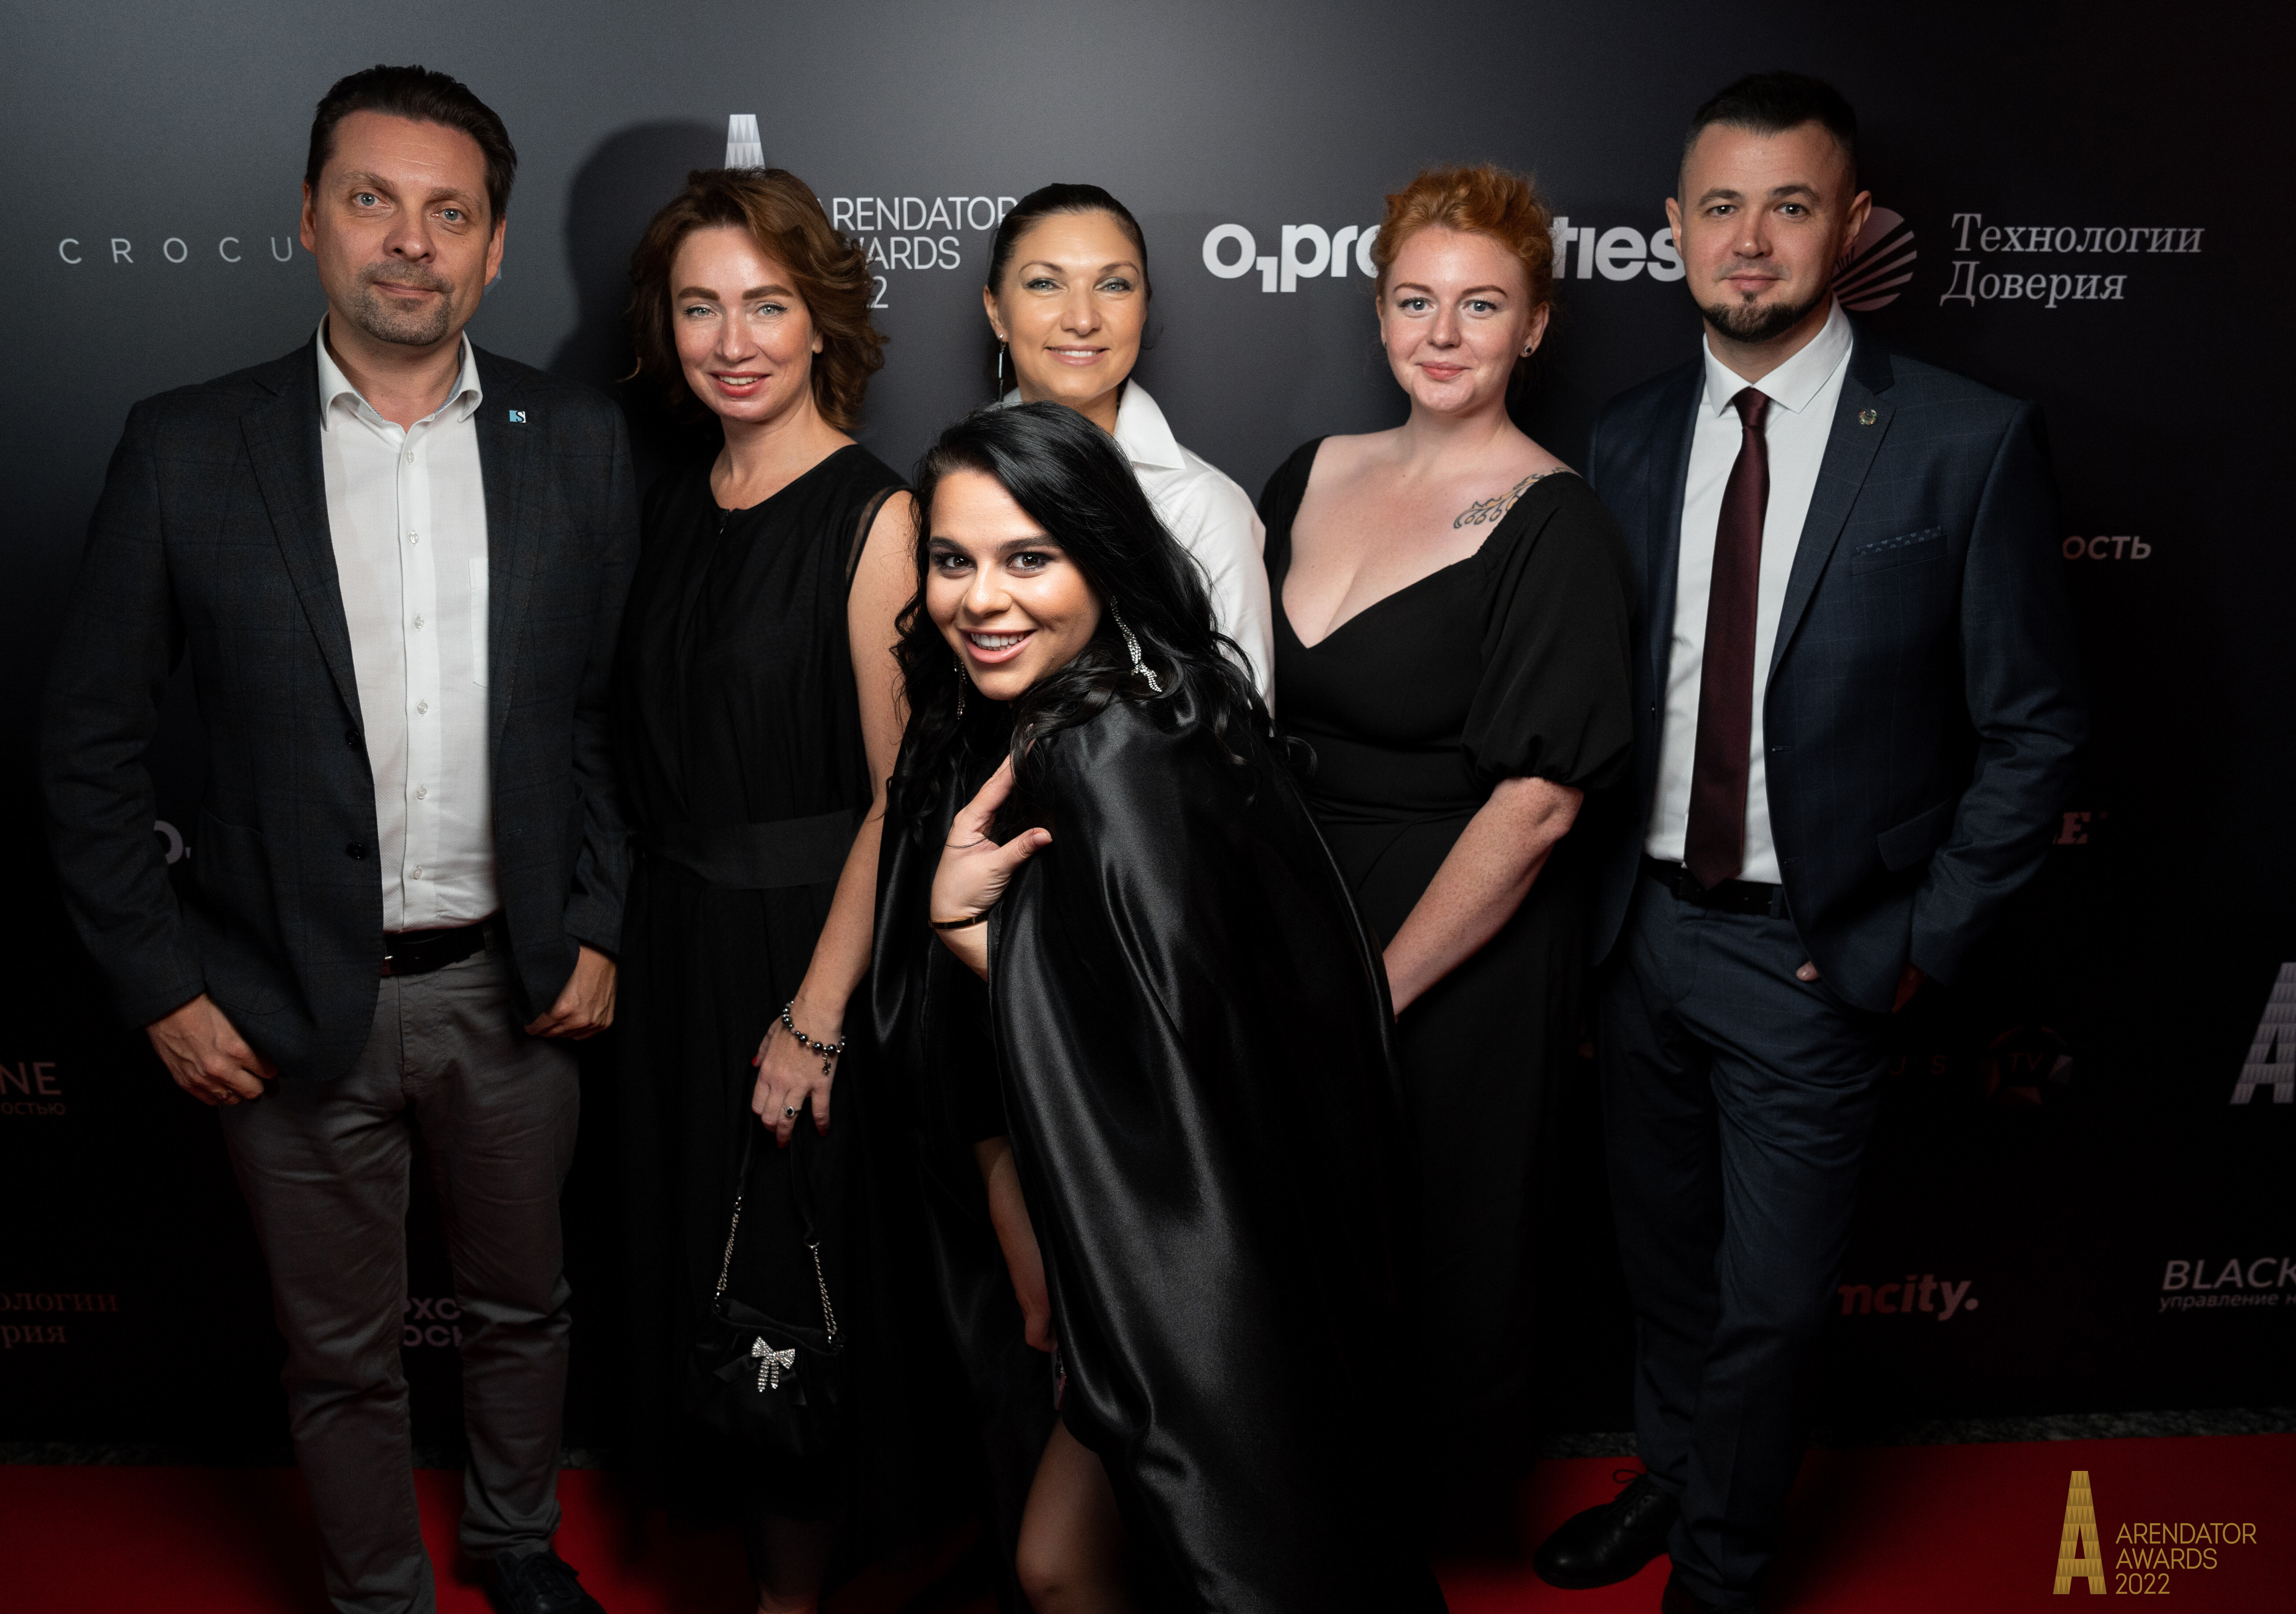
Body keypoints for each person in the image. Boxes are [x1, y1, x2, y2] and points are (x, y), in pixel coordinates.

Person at [35, 66, 632, 1614]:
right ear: (310, 218)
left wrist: (597, 918)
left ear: (495, 246)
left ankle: (515, 1545)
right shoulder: (186, 447)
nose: (411, 242)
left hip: (515, 988)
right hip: (284, 999)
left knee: (524, 1305)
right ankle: (377, 1593)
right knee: (341, 1349)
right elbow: (89, 744)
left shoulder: (578, 438)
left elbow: (607, 713)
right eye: (374, 200)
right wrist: (164, 986)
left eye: (450, 213)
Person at [1531, 74, 2085, 1614]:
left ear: (1850, 224)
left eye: (1788, 206)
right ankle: (1668, 1472)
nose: (1749, 240)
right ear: (1673, 228)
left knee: (1770, 1308)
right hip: (1638, 934)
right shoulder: (1627, 435)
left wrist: (1916, 940)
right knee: (1663, 1268)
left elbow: (2034, 727)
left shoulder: (1964, 440)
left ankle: (1719, 1569)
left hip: (1813, 953)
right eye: (1719, 207)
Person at [870, 403, 1446, 1614]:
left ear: (1101, 555)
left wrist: (971, 937)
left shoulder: (1115, 745)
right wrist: (1016, 1189)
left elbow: (1163, 1037)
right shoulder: (1064, 711)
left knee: (1208, 1557)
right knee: (1067, 1559)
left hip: (1204, 1251)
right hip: (1146, 1225)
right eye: (952, 559)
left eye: (1029, 558)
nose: (981, 598)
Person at [1256, 164, 1636, 1490]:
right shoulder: (1308, 472)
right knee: (1280, 1233)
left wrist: (1371, 994)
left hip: (1453, 940)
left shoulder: (1554, 521)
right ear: (1376, 316)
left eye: (1481, 304)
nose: (1442, 332)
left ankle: (1389, 1535)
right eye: (1415, 300)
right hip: (1294, 902)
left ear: (1533, 327)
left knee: (1421, 1242)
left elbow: (1535, 806)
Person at [607, 164, 946, 1614]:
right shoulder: (672, 502)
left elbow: (903, 795)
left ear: (823, 321)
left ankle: (792, 1598)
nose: (732, 339)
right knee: (705, 1269)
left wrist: (813, 1015)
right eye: (700, 307)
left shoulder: (877, 519)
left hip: (806, 954)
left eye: (765, 303)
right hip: (676, 948)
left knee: (798, 1285)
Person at [983, 183, 1274, 704]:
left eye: (1114, 285)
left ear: (1142, 309)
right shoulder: (952, 481)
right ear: (997, 312)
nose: (1082, 319)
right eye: (1046, 284)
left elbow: (1245, 727)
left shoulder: (1204, 507)